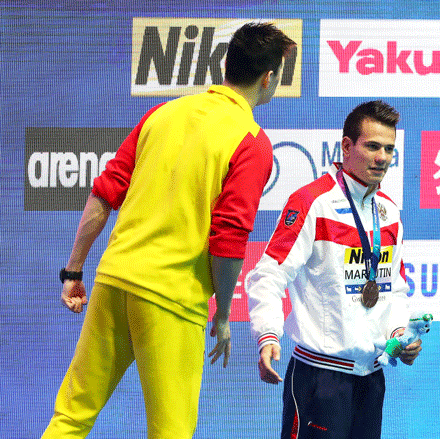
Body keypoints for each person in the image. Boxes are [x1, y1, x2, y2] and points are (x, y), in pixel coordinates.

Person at [42, 22, 295, 439]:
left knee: (70, 417)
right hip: (172, 299)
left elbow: (102, 197)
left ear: (227, 65)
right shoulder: (252, 141)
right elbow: (228, 240)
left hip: (112, 283)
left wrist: (73, 272)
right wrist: (225, 315)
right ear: (268, 79)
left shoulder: (164, 113)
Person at [246, 100, 421, 439]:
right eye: (372, 146)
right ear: (346, 146)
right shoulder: (313, 202)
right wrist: (267, 333)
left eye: (388, 148)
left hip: (372, 380)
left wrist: (400, 334)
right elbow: (267, 275)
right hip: (319, 380)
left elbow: (393, 288)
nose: (382, 157)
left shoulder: (389, 212)